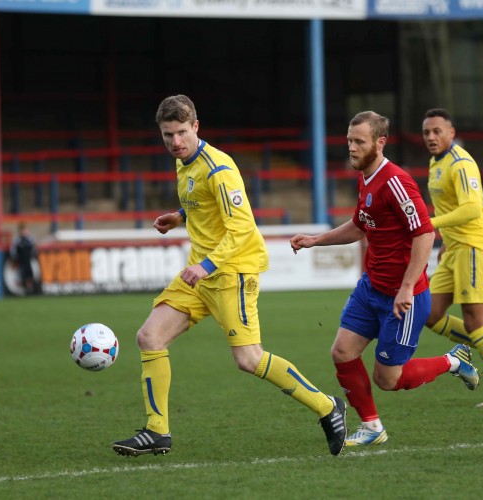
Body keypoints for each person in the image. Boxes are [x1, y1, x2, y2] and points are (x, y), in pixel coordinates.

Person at [112, 95, 347, 458]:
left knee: (249, 360)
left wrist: (205, 266)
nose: (175, 142)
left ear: (196, 127)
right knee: (149, 336)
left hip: (232, 271)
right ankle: (157, 431)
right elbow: (201, 202)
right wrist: (179, 215)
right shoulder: (184, 163)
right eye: (167, 135)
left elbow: (241, 228)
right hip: (201, 274)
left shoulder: (219, 168)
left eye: (180, 133)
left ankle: (328, 407)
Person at [290, 111, 479, 448]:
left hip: (401, 297)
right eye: (349, 140)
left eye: (359, 141)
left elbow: (424, 234)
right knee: (342, 352)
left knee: (387, 379)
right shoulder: (366, 177)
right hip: (371, 288)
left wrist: (407, 287)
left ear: (379, 142)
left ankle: (453, 360)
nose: (351, 147)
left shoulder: (396, 181)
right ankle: (372, 426)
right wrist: (316, 240)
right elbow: (360, 224)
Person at [421, 108, 483, 407]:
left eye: (437, 131)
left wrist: (432, 225)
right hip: (454, 248)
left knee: (474, 320)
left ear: (451, 133)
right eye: (426, 132)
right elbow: (448, 206)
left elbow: (471, 208)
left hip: (474, 247)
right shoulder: (435, 162)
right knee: (430, 314)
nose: (431, 136)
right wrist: (444, 240)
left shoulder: (461, 163)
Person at [9, 222, 39, 295]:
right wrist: (15, 257)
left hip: (28, 260)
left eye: (25, 230)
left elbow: (34, 248)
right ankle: (24, 289)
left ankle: (31, 289)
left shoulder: (30, 239)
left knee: (30, 273)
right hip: (21, 261)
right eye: (22, 230)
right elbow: (12, 250)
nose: (24, 232)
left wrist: (33, 255)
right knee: (22, 274)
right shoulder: (17, 240)